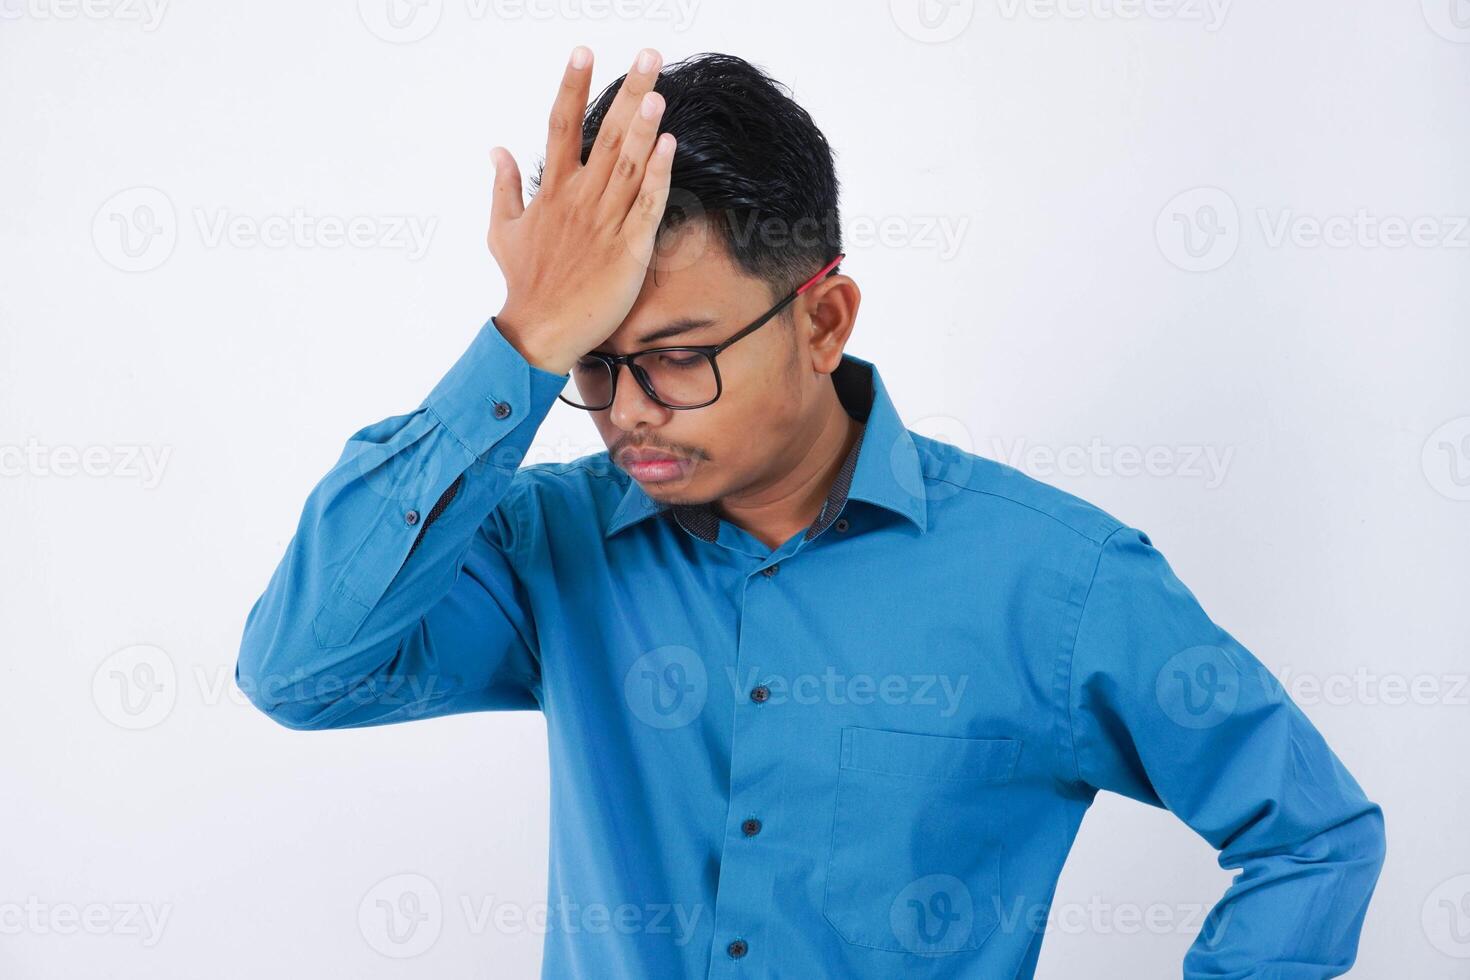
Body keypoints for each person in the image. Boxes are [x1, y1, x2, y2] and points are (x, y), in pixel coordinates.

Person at [235, 46, 1386, 979]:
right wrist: (522, 346)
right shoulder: (550, 549)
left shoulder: (1060, 582)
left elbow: (1313, 836)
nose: (627, 413)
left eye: (680, 359)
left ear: (824, 318)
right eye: (593, 364)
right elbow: (299, 669)